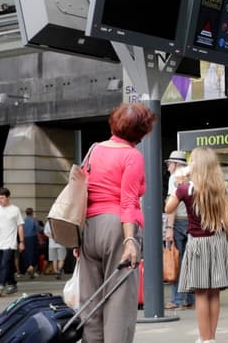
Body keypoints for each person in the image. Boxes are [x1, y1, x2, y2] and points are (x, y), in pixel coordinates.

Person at [79, 102, 156, 343]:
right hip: (117, 228)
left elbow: (82, 192)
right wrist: (130, 239)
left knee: (90, 301)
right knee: (119, 302)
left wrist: (76, 236)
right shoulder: (132, 156)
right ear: (142, 130)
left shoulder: (93, 150)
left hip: (88, 227)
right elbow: (128, 201)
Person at [164, 147, 228, 343]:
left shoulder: (185, 188)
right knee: (214, 292)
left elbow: (168, 207)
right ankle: (212, 336)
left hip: (197, 244)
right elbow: (226, 220)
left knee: (201, 293)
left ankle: (205, 339)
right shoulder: (219, 187)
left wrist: (179, 182)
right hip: (218, 241)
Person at [163, 149, 195, 310]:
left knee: (177, 260)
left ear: (175, 164)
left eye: (169, 163)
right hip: (191, 222)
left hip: (178, 223)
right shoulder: (191, 176)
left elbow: (172, 206)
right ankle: (190, 298)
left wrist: (169, 227)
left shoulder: (174, 177)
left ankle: (177, 299)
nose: (168, 166)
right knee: (189, 261)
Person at [0, 187, 25, 296]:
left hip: (10, 242)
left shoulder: (15, 209)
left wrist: (22, 241)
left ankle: (0, 285)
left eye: (2, 198)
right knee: (4, 265)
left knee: (5, 263)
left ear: (8, 197)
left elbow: (20, 226)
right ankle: (12, 283)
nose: (0, 200)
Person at [21, 207, 40, 278]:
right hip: (33, 238)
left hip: (24, 239)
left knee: (26, 253)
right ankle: (32, 267)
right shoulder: (34, 220)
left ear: (26, 213)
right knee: (34, 253)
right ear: (32, 213)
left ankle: (28, 267)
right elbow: (38, 229)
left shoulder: (23, 220)